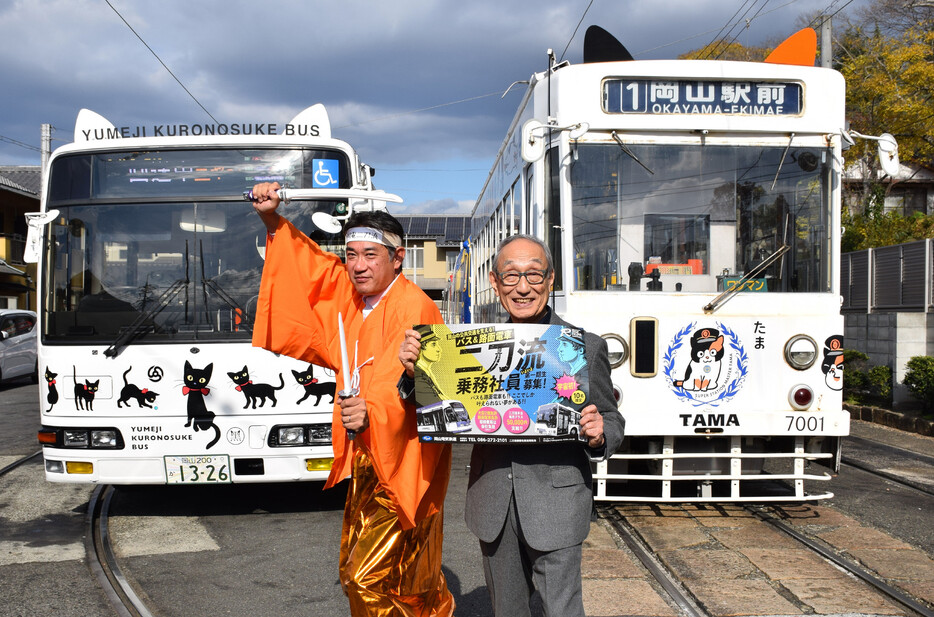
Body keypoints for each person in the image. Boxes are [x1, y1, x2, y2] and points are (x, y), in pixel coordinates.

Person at [250, 181, 454, 617]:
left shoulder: (415, 307)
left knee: (366, 578)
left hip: (404, 459)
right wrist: (271, 218)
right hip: (366, 454)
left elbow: (438, 391)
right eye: (352, 254)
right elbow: (310, 268)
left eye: (371, 255)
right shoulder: (352, 295)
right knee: (393, 575)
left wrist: (373, 411)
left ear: (398, 258)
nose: (357, 266)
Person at [399, 234, 625, 617]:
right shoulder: (468, 347)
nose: (523, 288)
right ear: (495, 282)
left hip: (558, 503)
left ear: (551, 280)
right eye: (511, 276)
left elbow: (612, 418)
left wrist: (600, 432)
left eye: (534, 276)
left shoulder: (583, 347)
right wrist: (413, 374)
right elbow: (433, 407)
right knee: (507, 611)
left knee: (563, 610)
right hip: (493, 504)